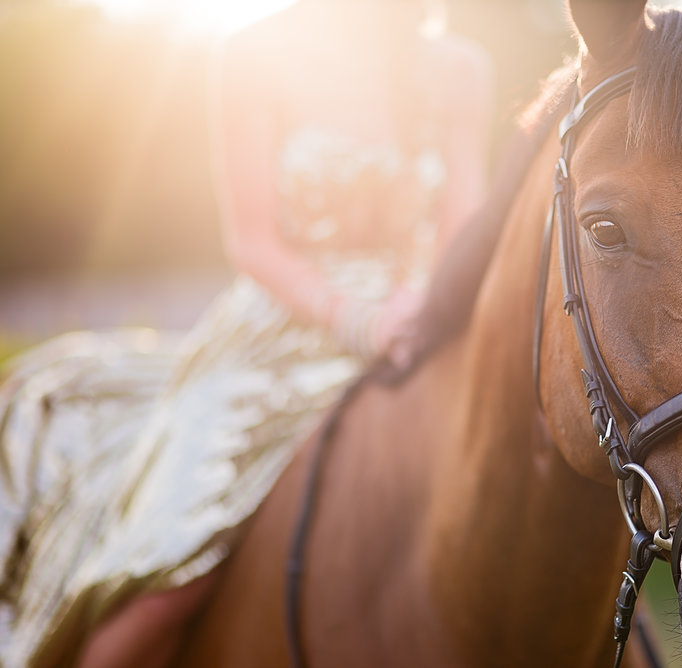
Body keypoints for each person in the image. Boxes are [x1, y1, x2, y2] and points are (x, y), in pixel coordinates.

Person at [0, 1, 493, 666]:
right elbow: (253, 243)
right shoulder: (253, 52)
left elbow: (464, 225)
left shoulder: (459, 69)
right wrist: (358, 319)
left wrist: (428, 307)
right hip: (282, 337)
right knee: (164, 579)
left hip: (418, 326)